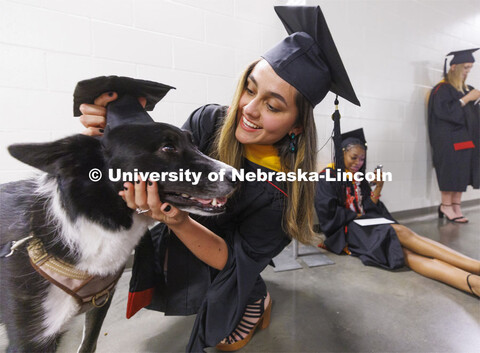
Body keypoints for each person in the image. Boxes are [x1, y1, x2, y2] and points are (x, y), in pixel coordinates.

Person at [78, 6, 360, 352]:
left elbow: (234, 258)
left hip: (224, 255)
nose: (249, 109)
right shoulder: (209, 122)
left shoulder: (284, 193)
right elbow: (159, 157)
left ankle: (256, 297)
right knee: (179, 266)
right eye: (249, 89)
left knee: (235, 278)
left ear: (297, 125)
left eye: (272, 106)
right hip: (185, 235)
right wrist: (111, 132)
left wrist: (178, 220)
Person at [315, 128, 480, 297]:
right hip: (349, 232)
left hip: (365, 225)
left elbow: (367, 207)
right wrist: (356, 216)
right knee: (400, 232)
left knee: (406, 253)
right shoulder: (328, 176)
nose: (358, 163)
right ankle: (475, 268)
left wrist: (378, 187)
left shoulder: (357, 177)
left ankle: (472, 283)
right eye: (354, 157)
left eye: (362, 159)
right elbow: (328, 213)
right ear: (341, 154)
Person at [427, 48, 480, 223]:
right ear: (454, 67)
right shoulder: (442, 89)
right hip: (448, 141)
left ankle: (456, 206)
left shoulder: (467, 89)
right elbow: (446, 112)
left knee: (462, 173)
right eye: (465, 67)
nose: (467, 72)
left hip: (466, 141)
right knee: (450, 172)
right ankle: (446, 206)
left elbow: (472, 116)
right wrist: (467, 99)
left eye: (470, 68)